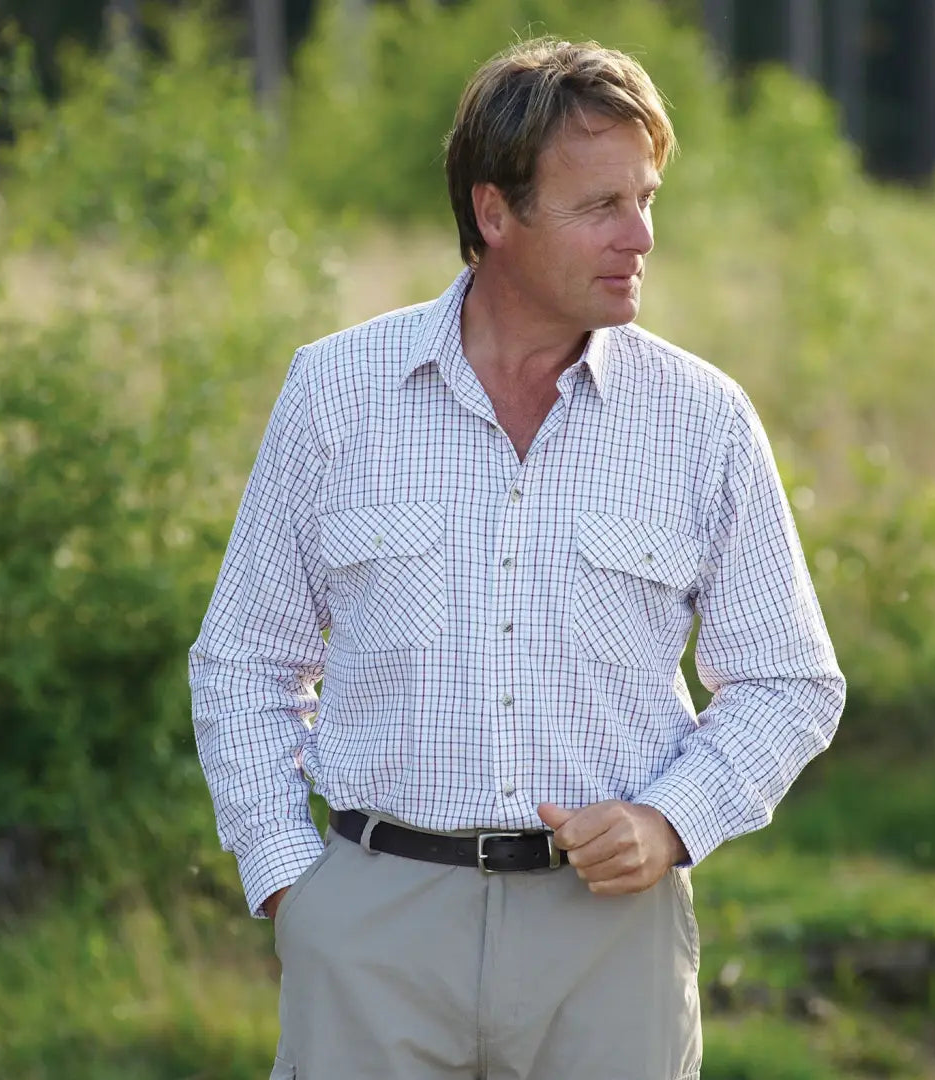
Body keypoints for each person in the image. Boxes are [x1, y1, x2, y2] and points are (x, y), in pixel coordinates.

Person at [189, 36, 845, 1080]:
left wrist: (672, 821)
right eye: (600, 207)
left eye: (647, 197)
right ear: (494, 214)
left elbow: (790, 681)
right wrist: (290, 885)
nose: (640, 237)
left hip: (611, 949)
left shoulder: (705, 422)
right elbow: (245, 662)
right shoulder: (335, 395)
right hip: (371, 934)